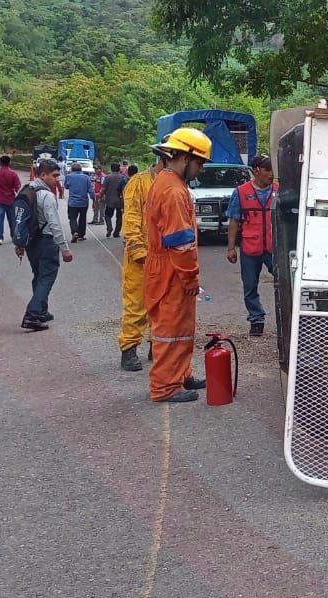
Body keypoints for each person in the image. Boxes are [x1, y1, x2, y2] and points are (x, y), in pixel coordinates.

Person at [143, 127, 211, 402]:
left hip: (166, 268)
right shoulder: (173, 191)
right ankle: (165, 387)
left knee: (180, 328)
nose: (201, 170)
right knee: (170, 331)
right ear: (185, 157)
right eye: (200, 163)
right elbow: (181, 244)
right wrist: (190, 278)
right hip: (171, 271)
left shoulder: (167, 183)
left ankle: (181, 375)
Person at [15, 159, 72, 330]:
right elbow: (55, 224)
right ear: (43, 175)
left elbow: (19, 220)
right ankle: (31, 315)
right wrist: (64, 248)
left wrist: (19, 243)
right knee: (47, 277)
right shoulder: (47, 196)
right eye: (54, 175)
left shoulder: (27, 190)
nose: (57, 179)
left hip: (31, 242)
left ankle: (41, 310)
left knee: (38, 276)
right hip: (46, 241)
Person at [226, 154, 277, 337]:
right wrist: (231, 248)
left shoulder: (279, 190)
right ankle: (256, 320)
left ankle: (287, 317)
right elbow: (234, 221)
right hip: (250, 247)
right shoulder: (240, 192)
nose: (271, 174)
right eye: (267, 170)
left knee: (284, 283)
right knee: (250, 287)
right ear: (256, 170)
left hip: (274, 247)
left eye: (272, 170)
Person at [0, 155, 22, 246]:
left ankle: (0, 238)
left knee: (0, 219)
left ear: (0, 163)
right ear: (9, 163)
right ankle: (13, 236)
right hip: (11, 199)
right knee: (12, 219)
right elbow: (18, 186)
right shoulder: (13, 174)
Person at [63, 162, 93, 242]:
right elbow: (90, 190)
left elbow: (66, 186)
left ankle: (74, 232)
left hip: (72, 202)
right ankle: (81, 235)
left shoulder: (69, 176)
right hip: (84, 202)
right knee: (82, 218)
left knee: (72, 217)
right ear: (81, 169)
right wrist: (94, 199)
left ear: (72, 169)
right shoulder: (86, 177)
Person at [101, 162, 129, 238]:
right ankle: (116, 232)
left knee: (108, 215)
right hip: (120, 200)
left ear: (111, 168)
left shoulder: (108, 177)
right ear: (119, 168)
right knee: (119, 217)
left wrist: (101, 196)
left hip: (110, 200)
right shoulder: (123, 177)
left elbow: (103, 188)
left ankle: (109, 227)